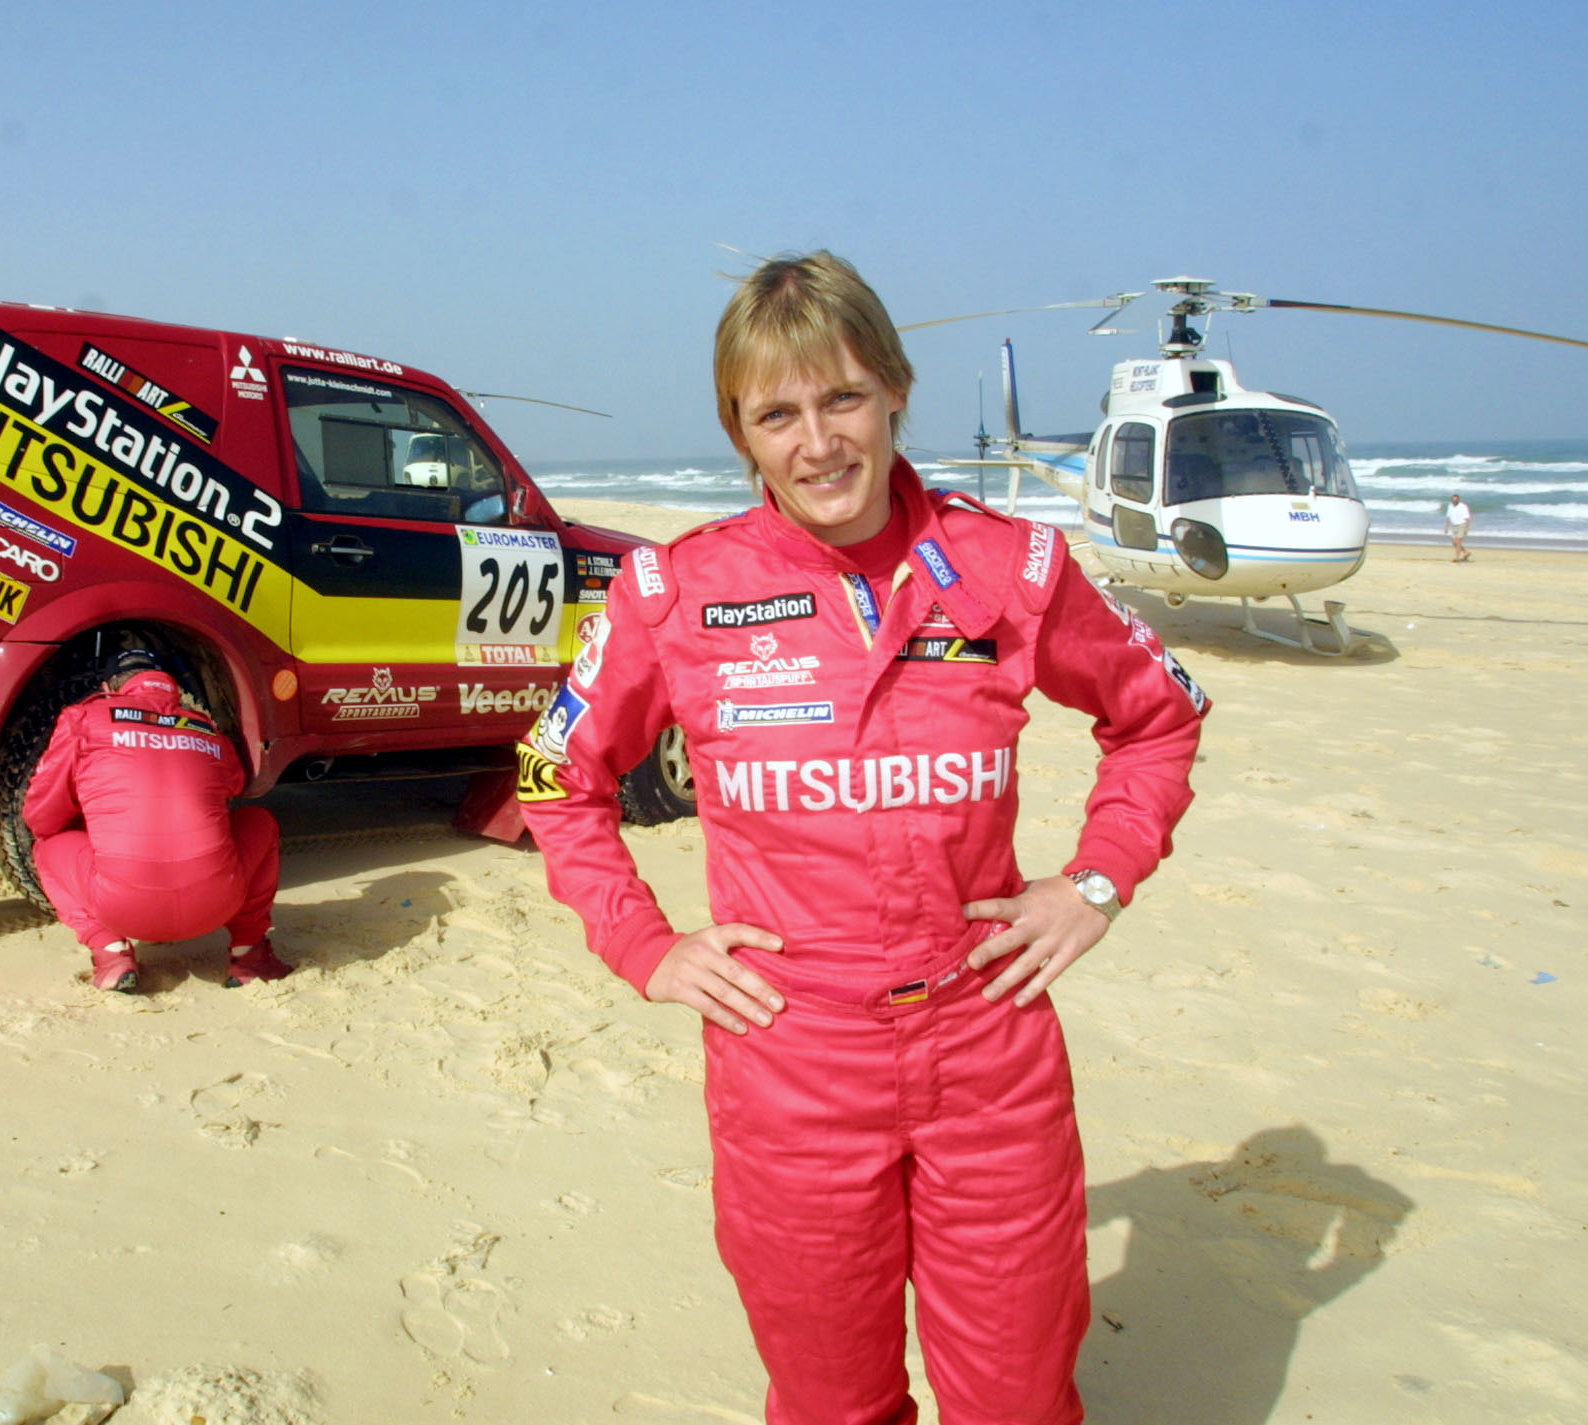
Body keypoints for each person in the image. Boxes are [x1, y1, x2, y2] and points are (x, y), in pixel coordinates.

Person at [516, 252, 1210, 1425]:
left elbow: (1158, 718)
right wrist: (644, 946)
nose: (816, 442)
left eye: (840, 398)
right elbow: (554, 773)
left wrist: (1093, 883)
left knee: (1019, 1398)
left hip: (987, 1051)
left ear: (893, 390)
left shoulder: (1013, 567)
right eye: (774, 413)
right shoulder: (675, 593)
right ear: (739, 433)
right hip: (787, 1059)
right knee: (832, 1401)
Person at [23, 648, 288, 992]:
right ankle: (250, 955)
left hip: (123, 910)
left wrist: (90, 821)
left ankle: (111, 952)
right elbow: (236, 784)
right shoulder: (204, 726)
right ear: (172, 687)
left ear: (110, 686)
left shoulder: (84, 718)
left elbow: (41, 815)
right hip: (217, 904)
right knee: (260, 822)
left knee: (47, 847)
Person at [1446, 492, 1472, 561]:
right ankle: (1466, 552)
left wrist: (1467, 528)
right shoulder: (1450, 506)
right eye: (1453, 500)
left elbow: (1468, 518)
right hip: (1453, 526)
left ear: (1458, 500)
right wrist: (1446, 527)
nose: (1454, 501)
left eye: (1456, 500)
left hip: (1462, 525)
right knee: (1454, 543)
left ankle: (1457, 557)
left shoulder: (1463, 506)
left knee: (1457, 542)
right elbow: (1449, 517)